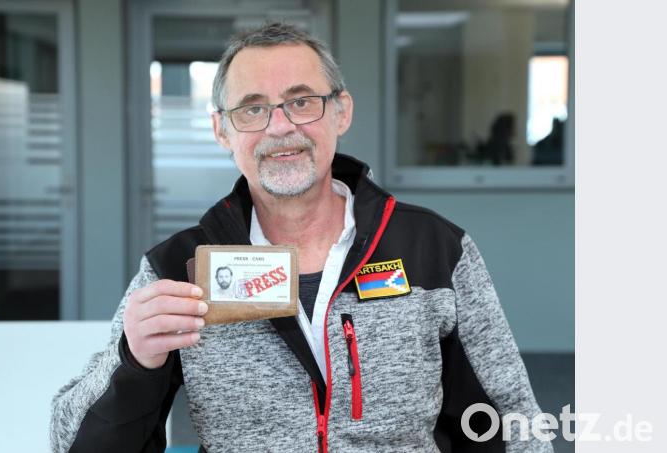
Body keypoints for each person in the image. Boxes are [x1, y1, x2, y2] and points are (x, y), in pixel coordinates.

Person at [50, 23, 552, 452]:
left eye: (302, 101)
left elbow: (510, 422)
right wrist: (133, 362)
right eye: (252, 108)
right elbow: (70, 438)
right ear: (222, 131)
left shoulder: (434, 249)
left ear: (341, 112)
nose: (280, 127)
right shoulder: (177, 268)